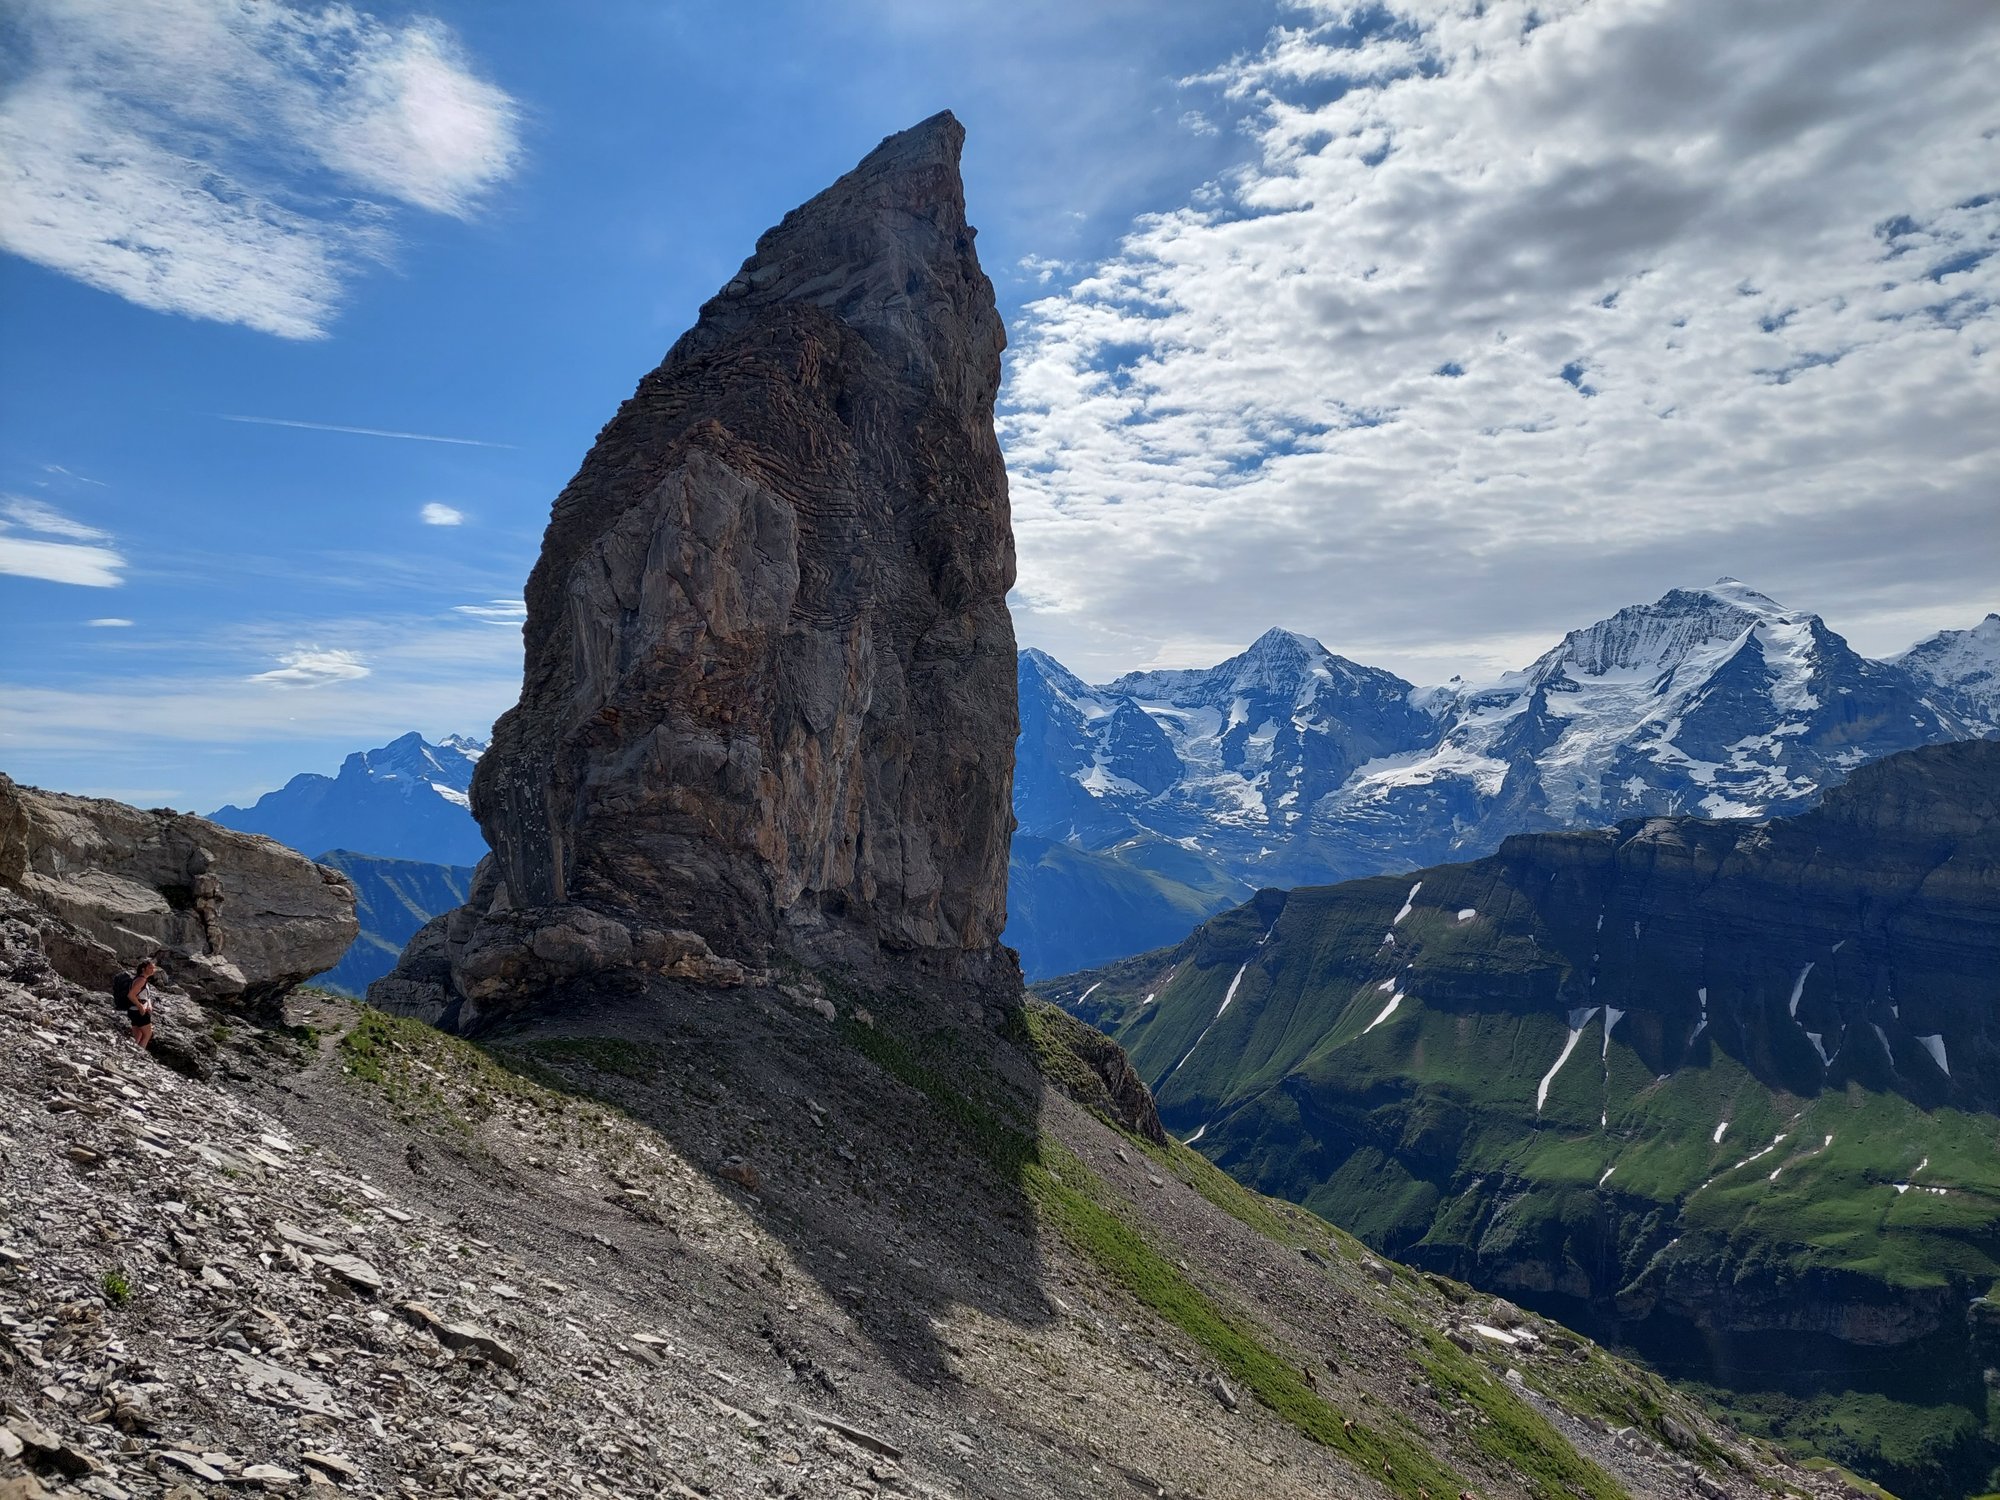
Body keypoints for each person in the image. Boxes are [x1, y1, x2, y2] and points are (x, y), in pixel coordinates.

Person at [116, 958, 159, 1049]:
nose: (153, 970)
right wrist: (141, 1007)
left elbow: (145, 996)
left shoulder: (140, 979)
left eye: (153, 968)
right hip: (138, 1011)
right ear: (143, 969)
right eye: (150, 968)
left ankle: (133, 1052)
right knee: (147, 1034)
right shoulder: (141, 981)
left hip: (133, 1010)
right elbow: (131, 995)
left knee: (138, 1036)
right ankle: (140, 1054)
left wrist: (149, 1005)